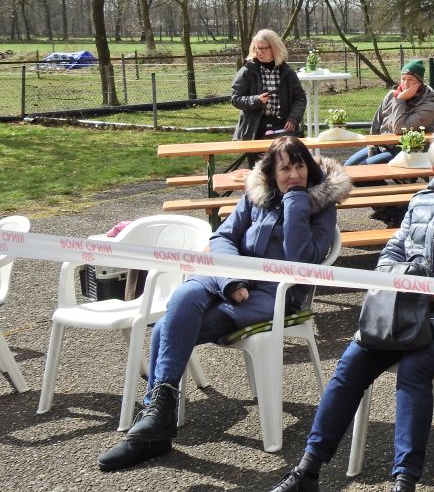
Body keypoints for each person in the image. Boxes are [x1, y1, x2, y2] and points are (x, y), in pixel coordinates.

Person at [268, 131, 434, 492]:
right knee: (351, 362)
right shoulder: (421, 202)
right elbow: (392, 251)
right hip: (408, 308)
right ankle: (308, 471)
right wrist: (397, 279)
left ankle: (405, 480)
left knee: (414, 367)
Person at [97, 136, 351, 471]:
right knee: (184, 297)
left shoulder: (321, 207)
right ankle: (157, 418)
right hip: (227, 281)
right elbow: (222, 237)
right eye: (285, 168)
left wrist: (295, 201)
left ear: (310, 167)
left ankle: (153, 426)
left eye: (299, 165)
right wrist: (231, 280)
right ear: (272, 173)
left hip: (274, 296)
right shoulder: (255, 196)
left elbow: (300, 259)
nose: (294, 174)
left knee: (165, 329)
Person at [345, 60, 434, 166]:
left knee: (361, 168)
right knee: (348, 166)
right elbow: (376, 124)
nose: (405, 83)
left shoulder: (428, 106)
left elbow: (399, 129)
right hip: (380, 146)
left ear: (420, 82)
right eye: (403, 79)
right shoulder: (391, 95)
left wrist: (400, 99)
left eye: (411, 79)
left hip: (404, 152)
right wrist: (372, 147)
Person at [231, 29, 307, 141]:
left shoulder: (287, 72)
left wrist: (293, 119)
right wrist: (256, 100)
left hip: (282, 127)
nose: (259, 52)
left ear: (274, 48)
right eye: (256, 48)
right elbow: (235, 99)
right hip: (254, 130)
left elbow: (300, 97)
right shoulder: (247, 71)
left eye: (263, 48)